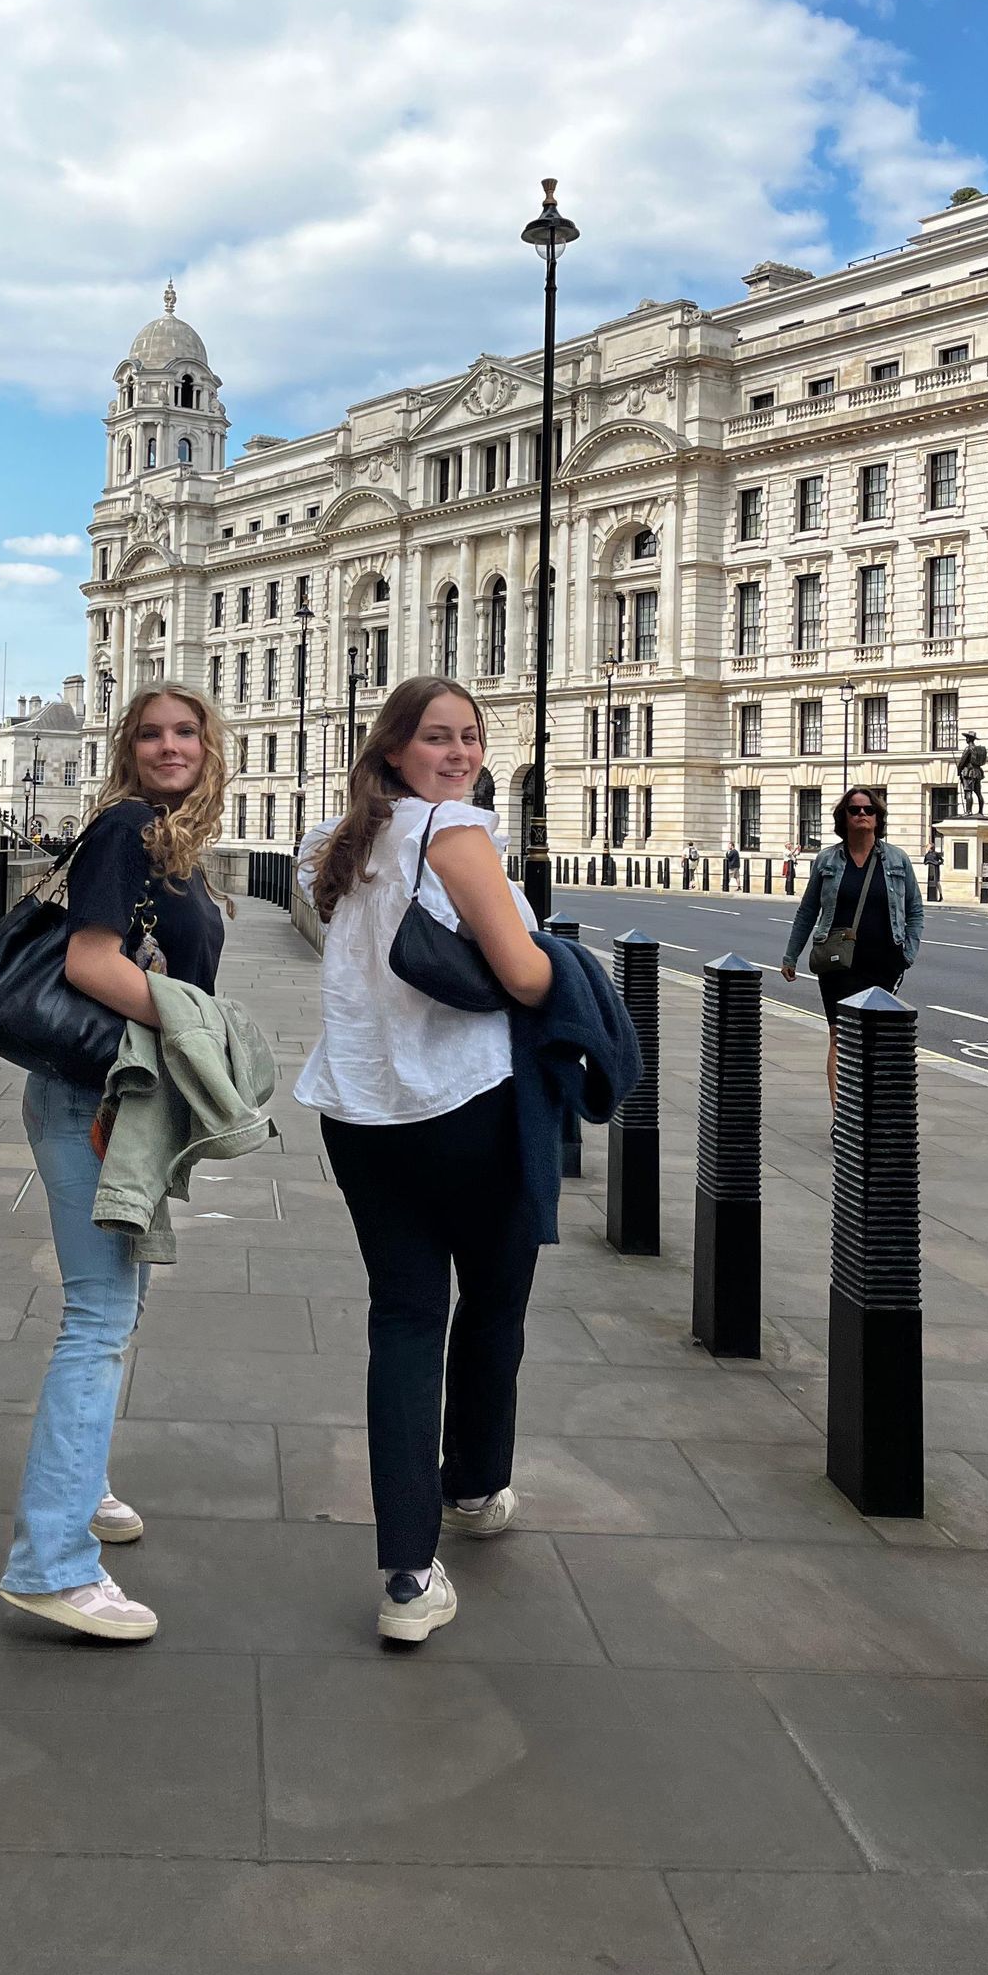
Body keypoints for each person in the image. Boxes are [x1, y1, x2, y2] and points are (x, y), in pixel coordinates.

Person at [296, 678, 555, 1647]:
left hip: (361, 1112)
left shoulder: (342, 838)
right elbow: (525, 973)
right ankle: (476, 1486)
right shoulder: (456, 829)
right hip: (466, 1107)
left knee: (405, 1319)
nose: (458, 753)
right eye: (437, 737)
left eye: (470, 738)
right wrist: (549, 958)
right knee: (492, 1303)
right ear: (396, 746)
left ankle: (408, 1573)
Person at [0, 685, 230, 1642]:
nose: (170, 746)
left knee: (118, 1303)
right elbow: (92, 963)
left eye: (186, 731)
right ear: (127, 748)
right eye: (150, 733)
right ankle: (51, 1564)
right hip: (91, 1099)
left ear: (210, 745)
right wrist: (189, 1022)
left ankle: (82, 1490)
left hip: (118, 1097)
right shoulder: (127, 826)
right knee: (97, 1316)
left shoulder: (167, 839)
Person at [780, 786, 924, 1112]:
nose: (862, 815)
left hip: (885, 960)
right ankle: (842, 1114)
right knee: (839, 1036)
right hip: (837, 961)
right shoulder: (827, 860)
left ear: (878, 818)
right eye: (855, 810)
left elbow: (914, 909)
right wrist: (791, 955)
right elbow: (807, 911)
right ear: (843, 817)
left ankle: (870, 1107)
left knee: (875, 1037)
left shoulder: (897, 859)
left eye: (868, 810)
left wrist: (908, 953)